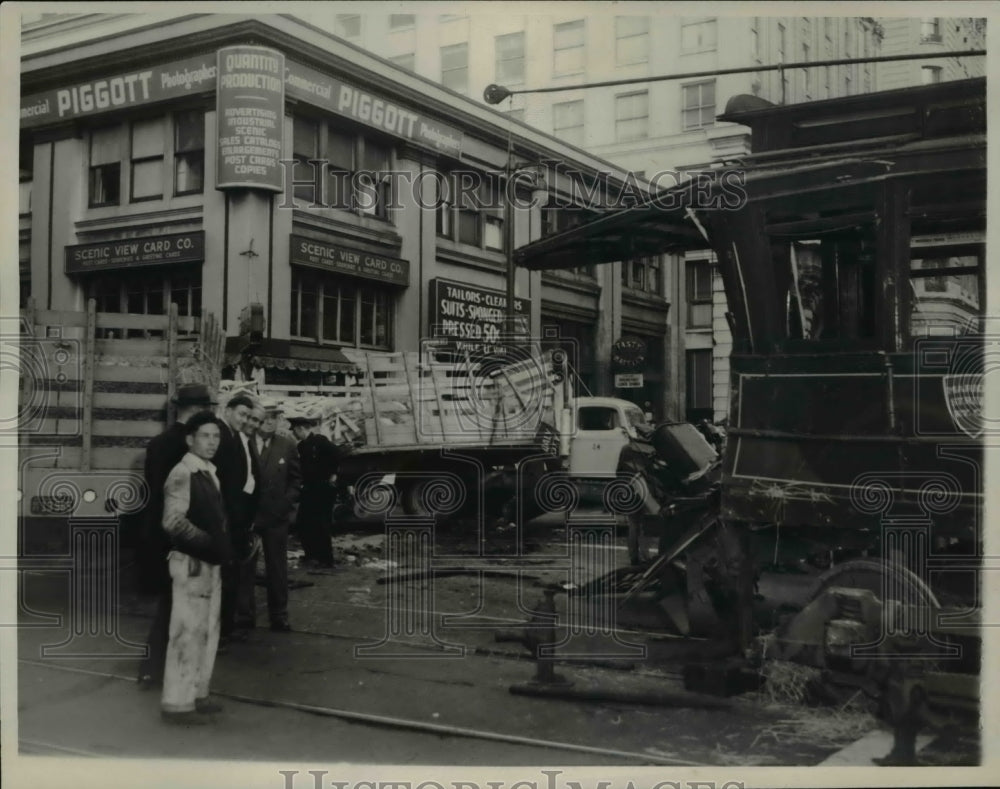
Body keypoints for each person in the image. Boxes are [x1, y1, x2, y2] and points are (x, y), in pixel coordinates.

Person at [137, 383, 216, 690]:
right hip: (185, 535)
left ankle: (152, 669)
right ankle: (169, 672)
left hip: (159, 533)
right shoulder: (192, 446)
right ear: (197, 411)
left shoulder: (157, 444)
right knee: (182, 607)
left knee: (169, 604)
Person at [160, 411, 231, 724]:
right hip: (190, 563)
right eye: (205, 435)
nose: (212, 442)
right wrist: (209, 544)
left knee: (207, 632)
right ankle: (177, 704)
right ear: (190, 439)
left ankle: (198, 693)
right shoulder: (183, 472)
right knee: (187, 633)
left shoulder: (208, 471)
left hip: (208, 563)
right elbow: (173, 522)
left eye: (216, 436)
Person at [248, 399, 302, 630]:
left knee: (277, 568)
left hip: (276, 518)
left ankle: (279, 615)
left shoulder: (286, 445)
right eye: (265, 417)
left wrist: (285, 503)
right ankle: (244, 616)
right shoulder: (244, 442)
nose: (269, 422)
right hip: (249, 517)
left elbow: (296, 479)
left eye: (274, 418)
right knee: (244, 567)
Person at [213, 394, 259, 645]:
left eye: (247, 416)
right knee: (224, 577)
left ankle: (226, 629)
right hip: (225, 518)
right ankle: (221, 631)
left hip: (235, 518)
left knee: (230, 576)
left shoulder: (235, 436)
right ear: (227, 410)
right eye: (240, 414)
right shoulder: (220, 435)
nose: (243, 420)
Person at [289, 408, 345, 570]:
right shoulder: (301, 447)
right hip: (309, 490)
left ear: (301, 429)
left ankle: (326, 560)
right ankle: (311, 555)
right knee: (304, 523)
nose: (294, 434)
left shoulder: (320, 441)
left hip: (323, 489)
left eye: (295, 431)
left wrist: (334, 474)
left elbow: (337, 454)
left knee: (322, 524)